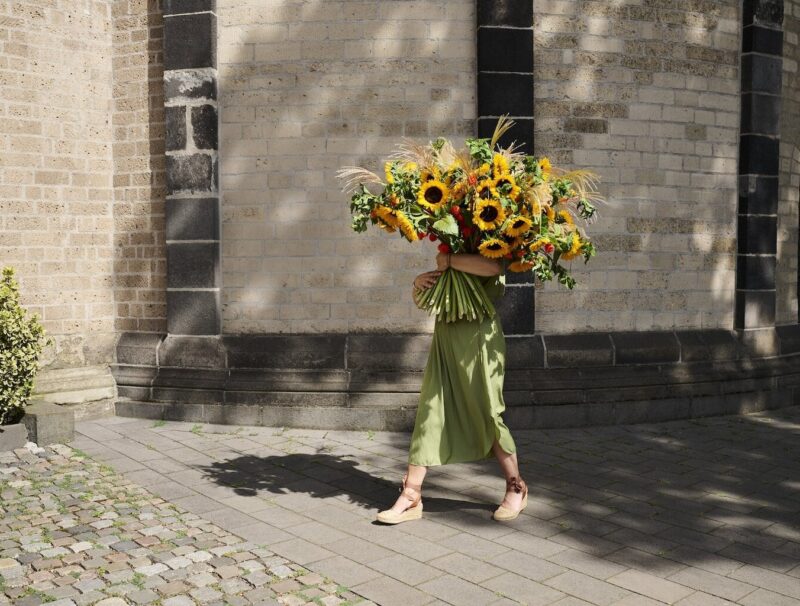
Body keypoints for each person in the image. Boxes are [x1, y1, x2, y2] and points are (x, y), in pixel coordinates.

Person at [375, 250, 527, 524]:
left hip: (479, 340)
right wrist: (419, 283)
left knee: (487, 412)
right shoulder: (452, 237)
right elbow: (434, 293)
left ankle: (516, 486)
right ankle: (411, 495)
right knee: (430, 412)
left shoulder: (492, 237)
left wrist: (449, 260)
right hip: (446, 335)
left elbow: (493, 267)